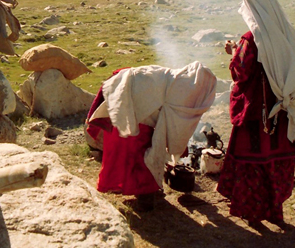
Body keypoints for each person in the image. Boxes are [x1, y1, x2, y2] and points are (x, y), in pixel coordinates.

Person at [217, 0, 295, 224]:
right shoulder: (286, 34)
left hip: (257, 114)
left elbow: (240, 72)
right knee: (276, 160)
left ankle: (254, 213)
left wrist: (233, 53)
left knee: (253, 162)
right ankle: (275, 211)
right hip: (282, 112)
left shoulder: (251, 39)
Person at [85, 62, 217, 209]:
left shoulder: (178, 79)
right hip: (129, 101)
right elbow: (175, 127)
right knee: (138, 153)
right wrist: (177, 148)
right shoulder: (183, 88)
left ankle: (145, 191)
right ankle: (145, 197)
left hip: (131, 96)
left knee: (139, 151)